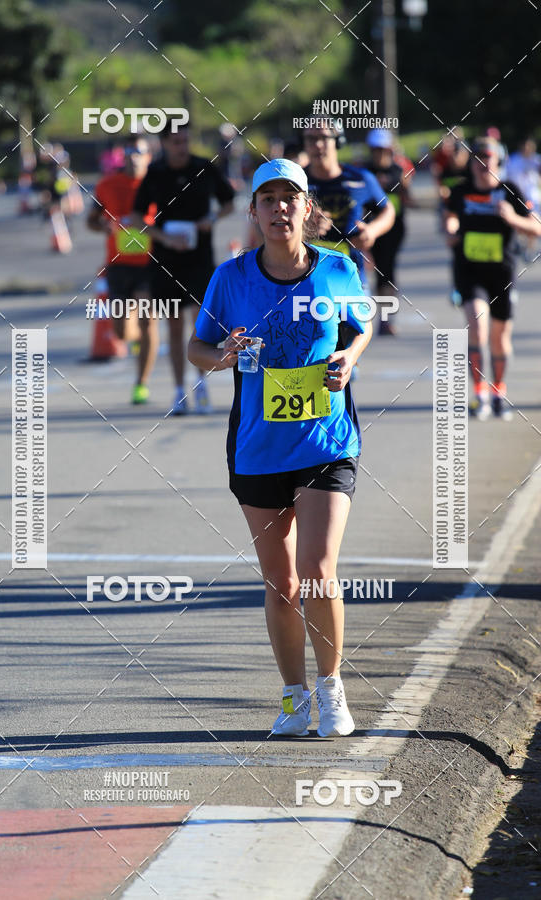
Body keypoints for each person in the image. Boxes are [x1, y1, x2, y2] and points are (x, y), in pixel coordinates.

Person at [188, 159, 373, 737]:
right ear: (254, 211)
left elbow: (360, 324)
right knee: (280, 582)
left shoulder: (337, 269)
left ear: (306, 207)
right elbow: (197, 348)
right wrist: (220, 356)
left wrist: (349, 355)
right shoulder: (232, 278)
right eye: (266, 199)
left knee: (318, 570)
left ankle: (332, 689)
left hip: (325, 440)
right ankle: (294, 697)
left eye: (289, 197)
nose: (278, 208)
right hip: (257, 448)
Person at [133, 120, 235, 415]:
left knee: (201, 324)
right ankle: (179, 389)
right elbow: (136, 217)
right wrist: (164, 236)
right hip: (166, 260)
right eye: (176, 142)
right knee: (174, 326)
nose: (182, 147)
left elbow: (229, 202)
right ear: (164, 143)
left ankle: (201, 384)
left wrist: (211, 220)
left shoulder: (204, 167)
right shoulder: (155, 172)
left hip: (200, 257)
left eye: (185, 141)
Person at [444, 137, 541, 421]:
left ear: (498, 159)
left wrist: (512, 219)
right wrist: (451, 231)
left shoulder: (511, 191)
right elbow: (450, 218)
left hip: (502, 272)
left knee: (500, 340)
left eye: (487, 156)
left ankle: (498, 390)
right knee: (477, 328)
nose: (482, 162)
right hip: (469, 269)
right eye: (476, 156)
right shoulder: (460, 190)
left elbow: (536, 227)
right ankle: (480, 394)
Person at [301, 124, 395, 334]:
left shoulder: (360, 178)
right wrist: (304, 226)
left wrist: (372, 231)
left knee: (349, 351)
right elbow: (268, 225)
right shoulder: (297, 182)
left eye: (323, 138)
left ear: (338, 141)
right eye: (310, 139)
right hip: (304, 280)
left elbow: (388, 211)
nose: (317, 145)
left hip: (350, 277)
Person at [88, 135, 157, 404]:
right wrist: (102, 226)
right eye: (128, 151)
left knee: (148, 319)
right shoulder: (107, 185)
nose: (133, 156)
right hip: (118, 265)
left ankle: (141, 383)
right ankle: (137, 336)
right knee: (119, 332)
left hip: (151, 264)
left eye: (139, 151)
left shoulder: (156, 184)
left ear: (148, 156)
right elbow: (92, 220)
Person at [364, 129, 412, 335]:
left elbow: (407, 197)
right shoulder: (365, 173)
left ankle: (387, 319)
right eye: (376, 150)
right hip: (372, 231)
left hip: (395, 229)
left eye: (384, 150)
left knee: (388, 271)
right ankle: (384, 319)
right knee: (380, 272)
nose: (380, 154)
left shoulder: (398, 171)